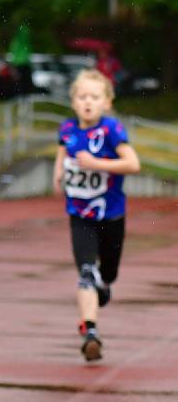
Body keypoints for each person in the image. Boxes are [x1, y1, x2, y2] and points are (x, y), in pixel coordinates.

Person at [53, 68, 140, 361]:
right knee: (87, 272)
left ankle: (105, 285)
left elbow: (133, 164)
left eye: (94, 97)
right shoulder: (67, 129)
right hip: (80, 214)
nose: (87, 102)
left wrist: (97, 164)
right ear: (73, 101)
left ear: (107, 101)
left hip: (112, 215)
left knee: (108, 273)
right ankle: (90, 330)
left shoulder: (112, 130)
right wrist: (58, 174)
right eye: (81, 96)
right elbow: (64, 152)